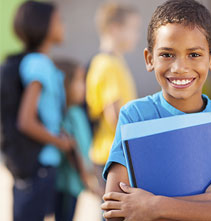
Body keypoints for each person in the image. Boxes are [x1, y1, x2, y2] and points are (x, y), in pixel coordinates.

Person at [101, 0, 211, 220]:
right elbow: (115, 211)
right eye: (167, 54)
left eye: (194, 54)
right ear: (149, 59)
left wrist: (153, 206)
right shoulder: (135, 116)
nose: (180, 67)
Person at [7, 1, 74, 220]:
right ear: (44, 25)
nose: (63, 25)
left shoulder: (40, 62)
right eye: (58, 21)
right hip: (40, 164)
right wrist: (60, 142)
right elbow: (25, 121)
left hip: (42, 164)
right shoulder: (39, 64)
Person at [86, 1, 141, 194]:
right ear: (114, 29)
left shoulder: (114, 60)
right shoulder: (108, 64)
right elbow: (113, 115)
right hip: (113, 153)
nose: (137, 35)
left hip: (111, 151)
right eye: (133, 28)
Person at [54, 58, 101, 221]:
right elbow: (74, 149)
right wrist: (88, 179)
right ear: (65, 85)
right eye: (80, 82)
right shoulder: (71, 115)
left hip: (73, 184)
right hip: (67, 184)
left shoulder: (75, 113)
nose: (85, 88)